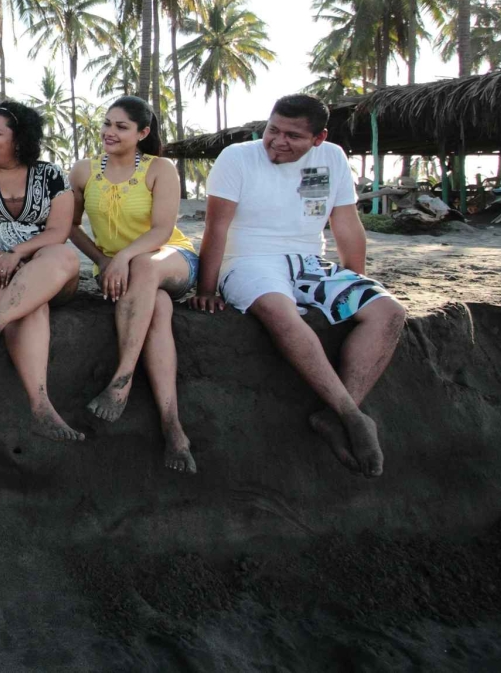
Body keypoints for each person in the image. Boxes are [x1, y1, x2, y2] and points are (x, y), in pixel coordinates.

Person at [193, 94, 408, 479]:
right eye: (272, 130)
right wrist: (206, 289)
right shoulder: (237, 158)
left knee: (389, 311)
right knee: (280, 310)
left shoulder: (331, 159)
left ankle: (336, 415)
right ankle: (353, 417)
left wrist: (355, 281)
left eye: (292, 136)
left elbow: (346, 224)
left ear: (318, 138)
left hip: (308, 261)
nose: (277, 141)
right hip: (248, 261)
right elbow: (216, 228)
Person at [68, 96, 197, 473]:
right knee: (159, 308)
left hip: (169, 259)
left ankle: (121, 382)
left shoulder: (160, 169)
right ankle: (173, 427)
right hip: (119, 271)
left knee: (145, 266)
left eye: (121, 127)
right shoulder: (84, 171)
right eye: (107, 123)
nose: (110, 132)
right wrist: (102, 260)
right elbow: (70, 226)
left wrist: (124, 256)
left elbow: (162, 230)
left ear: (142, 133)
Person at [0, 101, 84, 443]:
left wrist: (18, 253)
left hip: (44, 268)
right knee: (31, 304)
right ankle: (41, 406)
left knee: (65, 256)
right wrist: (1, 258)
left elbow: (58, 231)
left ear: (20, 139)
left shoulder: (52, 176)